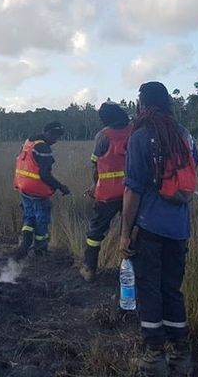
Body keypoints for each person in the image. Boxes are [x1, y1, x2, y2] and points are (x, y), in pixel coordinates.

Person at [121, 82, 198, 376]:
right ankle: (181, 355)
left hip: (149, 229)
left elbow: (133, 191)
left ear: (142, 105)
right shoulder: (185, 136)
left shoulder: (140, 137)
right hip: (179, 229)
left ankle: (154, 357)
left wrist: (125, 232)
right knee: (172, 289)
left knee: (149, 289)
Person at [80, 102, 132, 282]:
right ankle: (130, 273)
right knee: (130, 232)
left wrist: (96, 186)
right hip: (132, 193)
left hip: (107, 194)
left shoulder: (103, 136)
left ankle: (89, 269)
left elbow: (95, 166)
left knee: (96, 231)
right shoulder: (135, 131)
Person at [14, 122, 71, 259]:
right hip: (36, 190)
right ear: (48, 133)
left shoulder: (29, 142)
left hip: (23, 187)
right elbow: (45, 174)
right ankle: (40, 250)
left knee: (29, 216)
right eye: (55, 136)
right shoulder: (43, 147)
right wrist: (61, 187)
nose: (55, 140)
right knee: (42, 219)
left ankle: (25, 245)